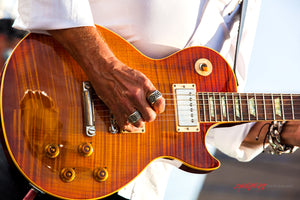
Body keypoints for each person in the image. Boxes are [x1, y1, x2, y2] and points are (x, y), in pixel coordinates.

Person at [11, 0, 300, 199]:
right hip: (46, 114)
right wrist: (104, 67)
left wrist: (285, 132)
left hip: (139, 185)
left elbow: (208, 112)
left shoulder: (247, 7)